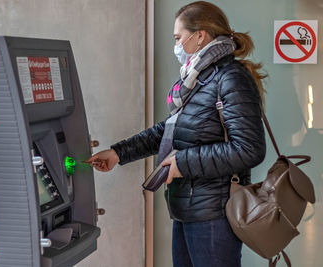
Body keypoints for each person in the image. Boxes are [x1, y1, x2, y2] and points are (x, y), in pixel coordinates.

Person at [85, 1, 266, 266]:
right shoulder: (198, 79)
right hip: (187, 209)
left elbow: (249, 149)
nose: (177, 45)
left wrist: (183, 162)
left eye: (179, 37)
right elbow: (168, 130)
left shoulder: (230, 78)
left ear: (200, 35)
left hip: (213, 214)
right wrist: (117, 153)